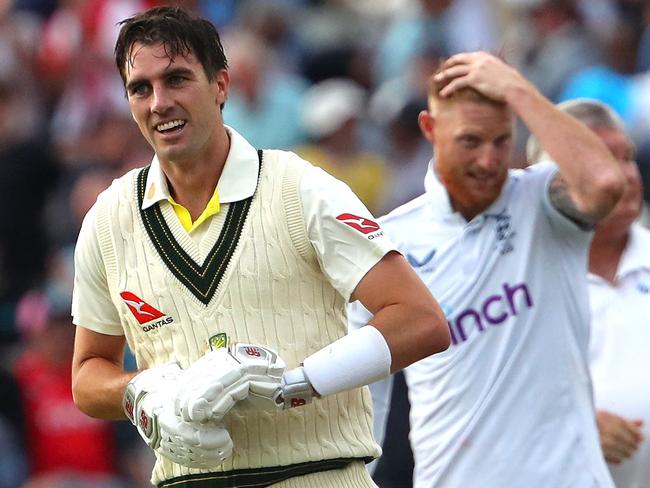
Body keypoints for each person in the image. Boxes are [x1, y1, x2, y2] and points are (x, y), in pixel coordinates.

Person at [70, 6, 450, 488]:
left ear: (221, 85)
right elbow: (87, 375)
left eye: (177, 79)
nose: (159, 102)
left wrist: (295, 385)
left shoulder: (301, 189)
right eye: (140, 88)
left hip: (320, 475)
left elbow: (422, 320)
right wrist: (143, 393)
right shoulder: (108, 219)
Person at [349, 51, 625, 487]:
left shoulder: (542, 201)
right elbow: (367, 399)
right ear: (430, 128)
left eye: (501, 141)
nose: (489, 161)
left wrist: (518, 89)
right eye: (471, 142)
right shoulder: (389, 242)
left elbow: (606, 183)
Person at [528, 98, 649, 488]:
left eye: (627, 156)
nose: (625, 175)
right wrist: (574, 425)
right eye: (602, 158)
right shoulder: (519, 281)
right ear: (550, 177)